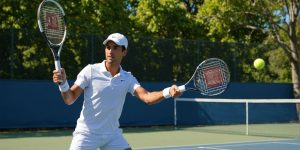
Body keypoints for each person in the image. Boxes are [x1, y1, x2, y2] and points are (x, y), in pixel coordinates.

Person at [53, 33, 182, 150]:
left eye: (115, 48)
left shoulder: (128, 78)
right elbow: (69, 99)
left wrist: (168, 91)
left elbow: (147, 97)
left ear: (124, 52)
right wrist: (63, 84)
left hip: (112, 136)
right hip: (86, 134)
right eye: (108, 47)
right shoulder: (90, 71)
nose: (110, 51)